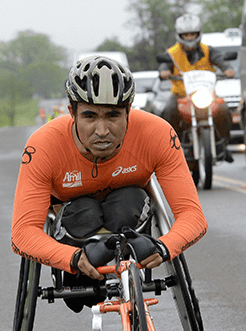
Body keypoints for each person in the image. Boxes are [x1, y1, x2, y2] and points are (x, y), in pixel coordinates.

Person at [11, 56, 208, 312]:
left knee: (128, 201)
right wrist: (70, 258)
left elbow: (193, 216)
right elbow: (22, 234)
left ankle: (125, 252)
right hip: (76, 223)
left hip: (129, 217)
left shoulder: (156, 133)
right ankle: (86, 265)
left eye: (113, 115)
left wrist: (164, 246)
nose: (102, 130)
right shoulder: (44, 145)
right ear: (72, 113)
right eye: (90, 116)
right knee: (84, 211)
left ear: (129, 111)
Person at [158, 13, 236, 163]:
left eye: (192, 34)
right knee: (167, 112)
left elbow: (221, 62)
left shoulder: (209, 51)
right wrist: (164, 72)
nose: (189, 37)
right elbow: (164, 65)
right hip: (180, 96)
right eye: (186, 34)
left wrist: (228, 69)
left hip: (207, 94)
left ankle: (223, 146)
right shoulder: (172, 53)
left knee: (225, 110)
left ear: (199, 33)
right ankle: (173, 149)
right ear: (180, 35)